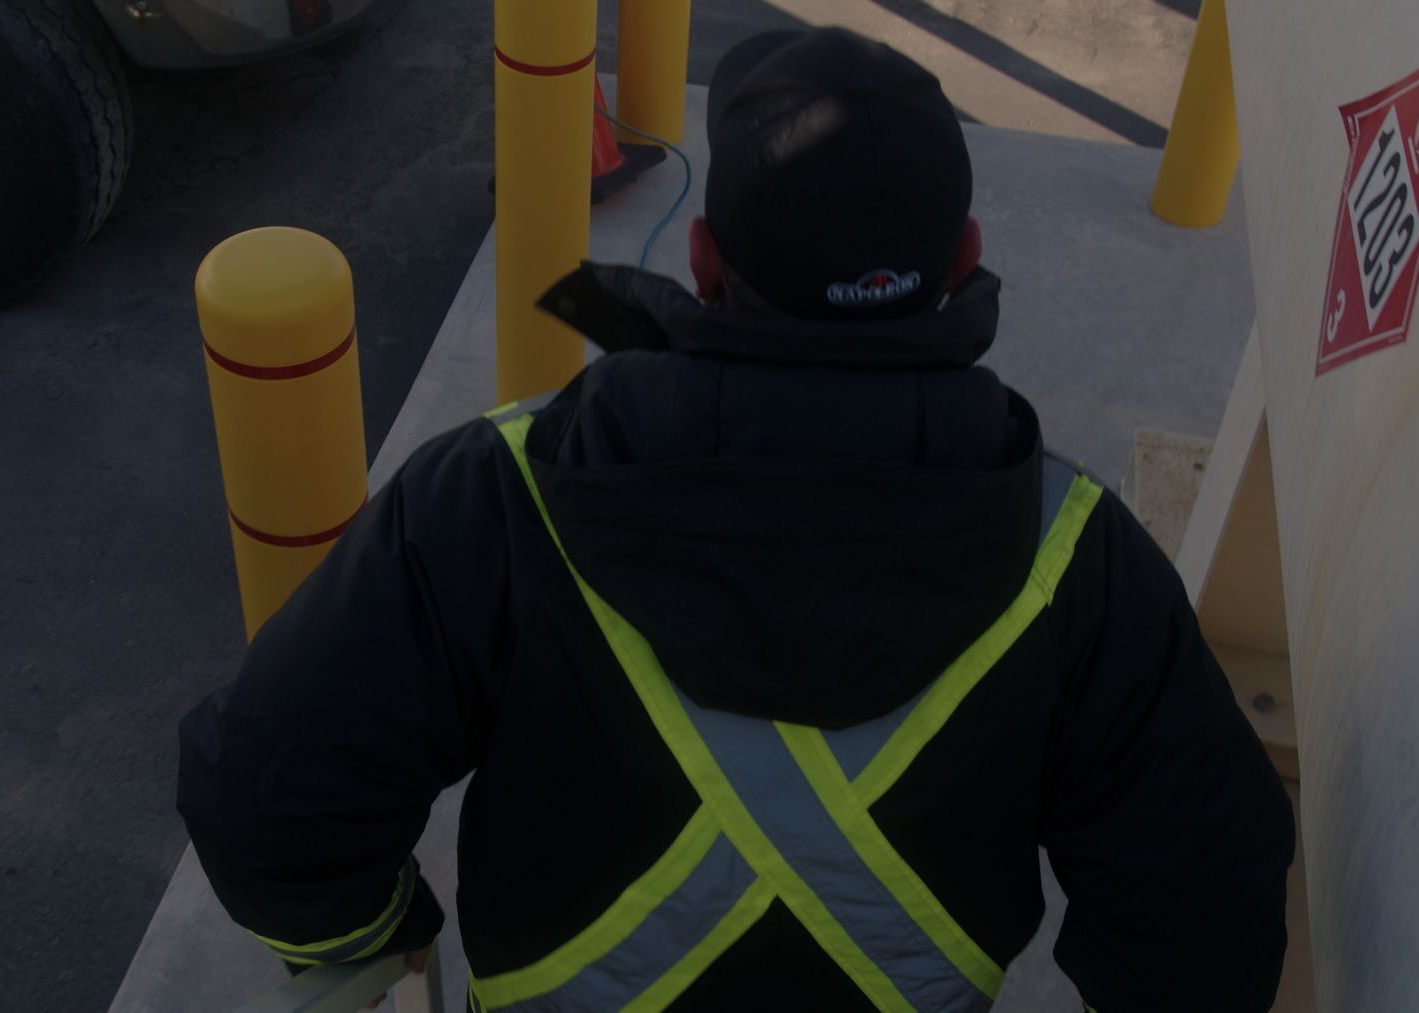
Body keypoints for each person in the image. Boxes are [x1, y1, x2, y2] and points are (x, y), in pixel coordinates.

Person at [178, 26, 1294, 1013]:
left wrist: (381, 941)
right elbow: (1208, 913)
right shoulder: (1079, 563)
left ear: (703, 262)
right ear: (962, 263)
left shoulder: (496, 495)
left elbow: (270, 789)